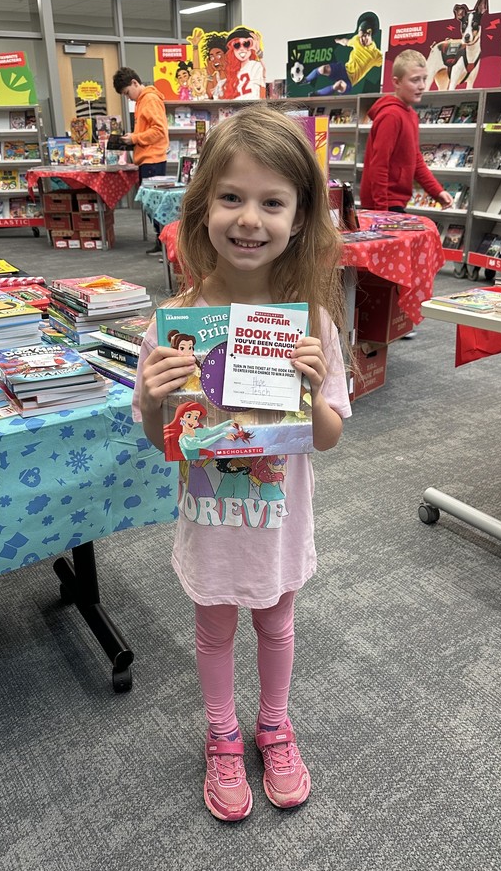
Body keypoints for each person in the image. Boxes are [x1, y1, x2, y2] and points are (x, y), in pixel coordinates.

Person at [132, 103, 351, 822]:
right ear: (201, 209)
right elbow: (152, 434)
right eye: (231, 197)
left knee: (279, 624)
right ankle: (223, 736)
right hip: (211, 517)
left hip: (277, 517)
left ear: (299, 216)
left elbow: (327, 437)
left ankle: (275, 726)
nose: (249, 218)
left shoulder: (311, 322)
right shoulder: (176, 324)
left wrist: (317, 392)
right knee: (214, 629)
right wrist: (157, 398)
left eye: (271, 201)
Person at [360, 50, 454, 214]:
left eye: (424, 78)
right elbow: (379, 166)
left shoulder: (411, 115)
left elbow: (415, 159)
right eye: (415, 80)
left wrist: (437, 191)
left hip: (394, 203)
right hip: (383, 205)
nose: (422, 86)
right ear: (397, 82)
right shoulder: (391, 116)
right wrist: (382, 213)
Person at [113, 66, 169, 255]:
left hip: (152, 160)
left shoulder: (150, 99)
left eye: (128, 93)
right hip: (147, 159)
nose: (128, 98)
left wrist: (135, 139)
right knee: (151, 204)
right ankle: (161, 240)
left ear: (135, 83)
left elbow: (159, 131)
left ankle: (164, 241)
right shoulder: (142, 101)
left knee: (154, 204)